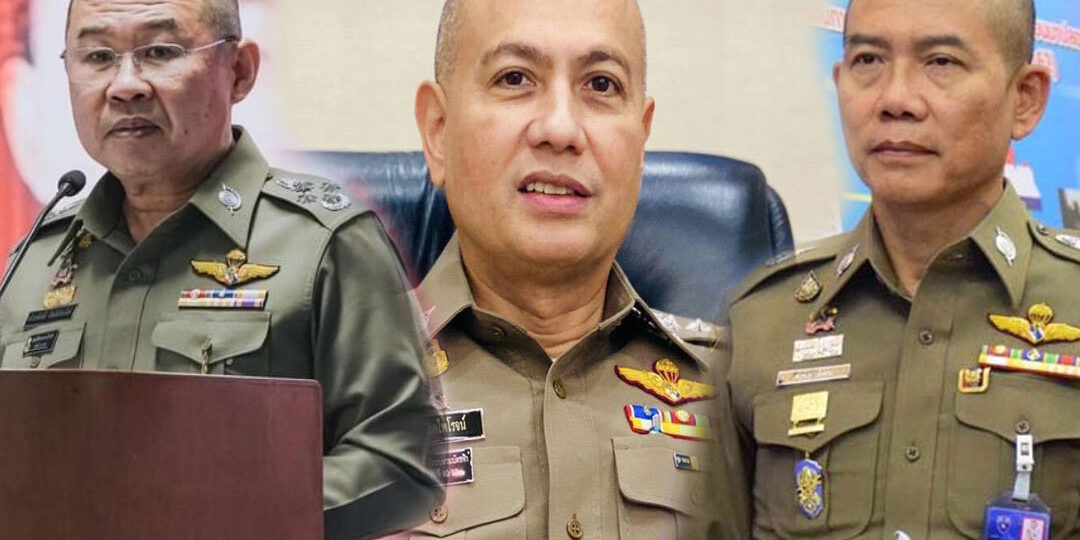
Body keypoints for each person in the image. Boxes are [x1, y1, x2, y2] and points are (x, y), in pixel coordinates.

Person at [0, 1, 442, 538]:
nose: (125, 85)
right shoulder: (36, 260)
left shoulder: (326, 243)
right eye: (97, 56)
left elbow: (404, 464)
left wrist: (213, 517)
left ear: (240, 72)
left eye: (159, 51)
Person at [723, 0, 1072, 537]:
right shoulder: (759, 322)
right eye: (868, 60)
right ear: (839, 82)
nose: (894, 100)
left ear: (1025, 99)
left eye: (941, 62)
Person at [404, 0, 741, 538]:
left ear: (641, 139)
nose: (560, 129)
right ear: (438, 131)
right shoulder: (332, 384)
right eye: (515, 78)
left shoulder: (740, 389)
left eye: (602, 85)